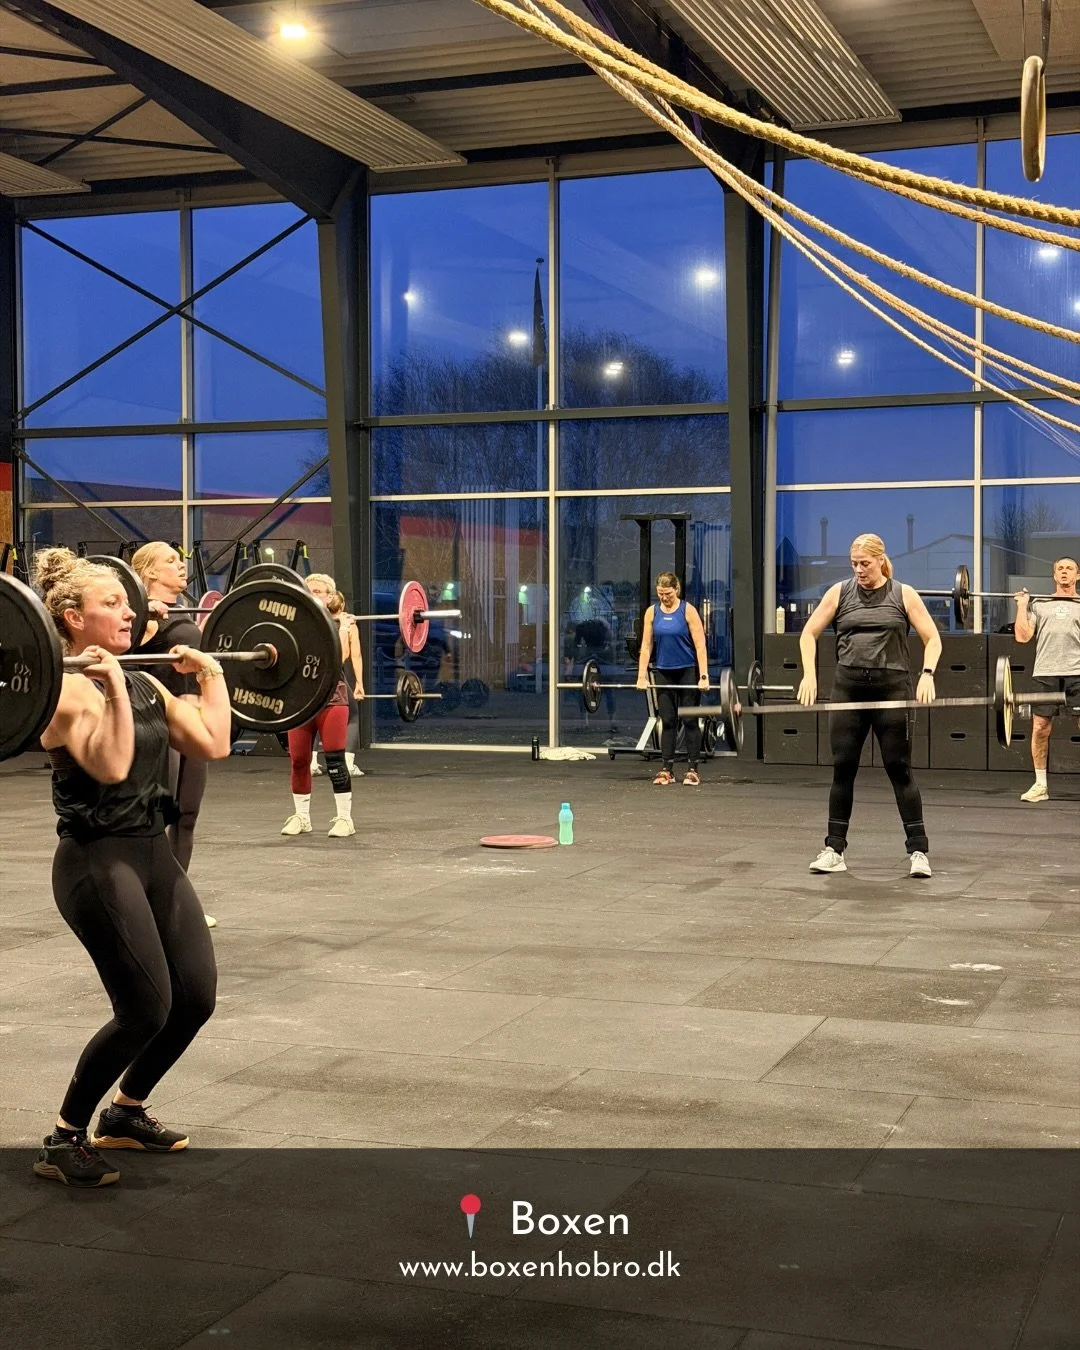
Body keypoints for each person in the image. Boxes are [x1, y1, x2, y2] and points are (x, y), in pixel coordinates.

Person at [31, 548, 230, 1188]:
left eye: (128, 601)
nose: (129, 612)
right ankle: (64, 1137)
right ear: (72, 618)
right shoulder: (61, 693)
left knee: (194, 997)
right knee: (145, 1008)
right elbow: (113, 765)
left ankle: (125, 1111)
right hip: (96, 862)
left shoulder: (144, 681)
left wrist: (211, 675)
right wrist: (114, 684)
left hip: (152, 853)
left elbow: (213, 742)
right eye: (112, 603)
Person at [798, 533, 941, 878]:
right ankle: (834, 850)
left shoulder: (903, 594)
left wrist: (927, 674)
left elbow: (933, 638)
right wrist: (809, 675)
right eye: (854, 564)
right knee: (843, 768)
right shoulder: (840, 593)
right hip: (848, 690)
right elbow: (808, 634)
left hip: (892, 689)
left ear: (880, 560)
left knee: (899, 769)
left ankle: (918, 852)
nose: (859, 570)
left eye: (865, 563)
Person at [130, 542, 216, 928]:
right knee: (156, 818)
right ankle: (143, 900)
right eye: (170, 561)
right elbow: (118, 645)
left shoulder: (182, 610)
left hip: (190, 721)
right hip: (158, 724)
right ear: (149, 572)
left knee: (187, 815)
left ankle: (173, 902)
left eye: (181, 561)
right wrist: (141, 611)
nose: (181, 567)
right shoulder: (137, 615)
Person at [281, 573, 363, 838]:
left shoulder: (341, 624)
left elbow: (339, 658)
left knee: (335, 760)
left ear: (330, 597)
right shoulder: (293, 623)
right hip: (300, 700)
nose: (312, 594)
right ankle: (302, 817)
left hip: (332, 698)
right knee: (299, 760)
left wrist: (343, 629)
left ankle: (345, 819)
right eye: (308, 590)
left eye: (318, 591)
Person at [1013, 556, 1080, 802]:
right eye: (1060, 568)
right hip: (1045, 672)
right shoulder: (1040, 604)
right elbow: (1022, 637)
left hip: (1077, 672)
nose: (1064, 571)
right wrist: (1022, 606)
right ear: (1054, 576)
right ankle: (1040, 785)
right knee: (1040, 728)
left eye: (1069, 568)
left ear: (1077, 576)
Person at [635, 572, 710, 785]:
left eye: (667, 593)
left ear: (676, 589)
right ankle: (666, 769)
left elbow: (700, 646)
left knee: (689, 720)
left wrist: (703, 676)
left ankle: (693, 770)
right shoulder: (652, 612)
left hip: (687, 671)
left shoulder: (688, 610)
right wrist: (641, 676)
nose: (664, 598)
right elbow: (646, 646)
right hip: (664, 671)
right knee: (667, 721)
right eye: (660, 593)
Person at [312, 589, 365, 780]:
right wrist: (359, 683)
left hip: (313, 675)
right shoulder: (349, 625)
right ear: (342, 606)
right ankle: (348, 764)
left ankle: (311, 763)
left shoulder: (317, 622)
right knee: (352, 715)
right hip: (334, 676)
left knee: (313, 715)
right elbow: (354, 656)